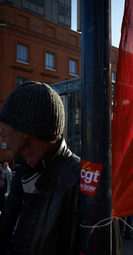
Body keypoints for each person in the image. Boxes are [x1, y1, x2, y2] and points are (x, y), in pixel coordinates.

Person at [0, 81, 80, 255]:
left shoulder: (79, 182)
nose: (2, 132)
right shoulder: (24, 174)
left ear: (25, 129)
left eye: (6, 123)